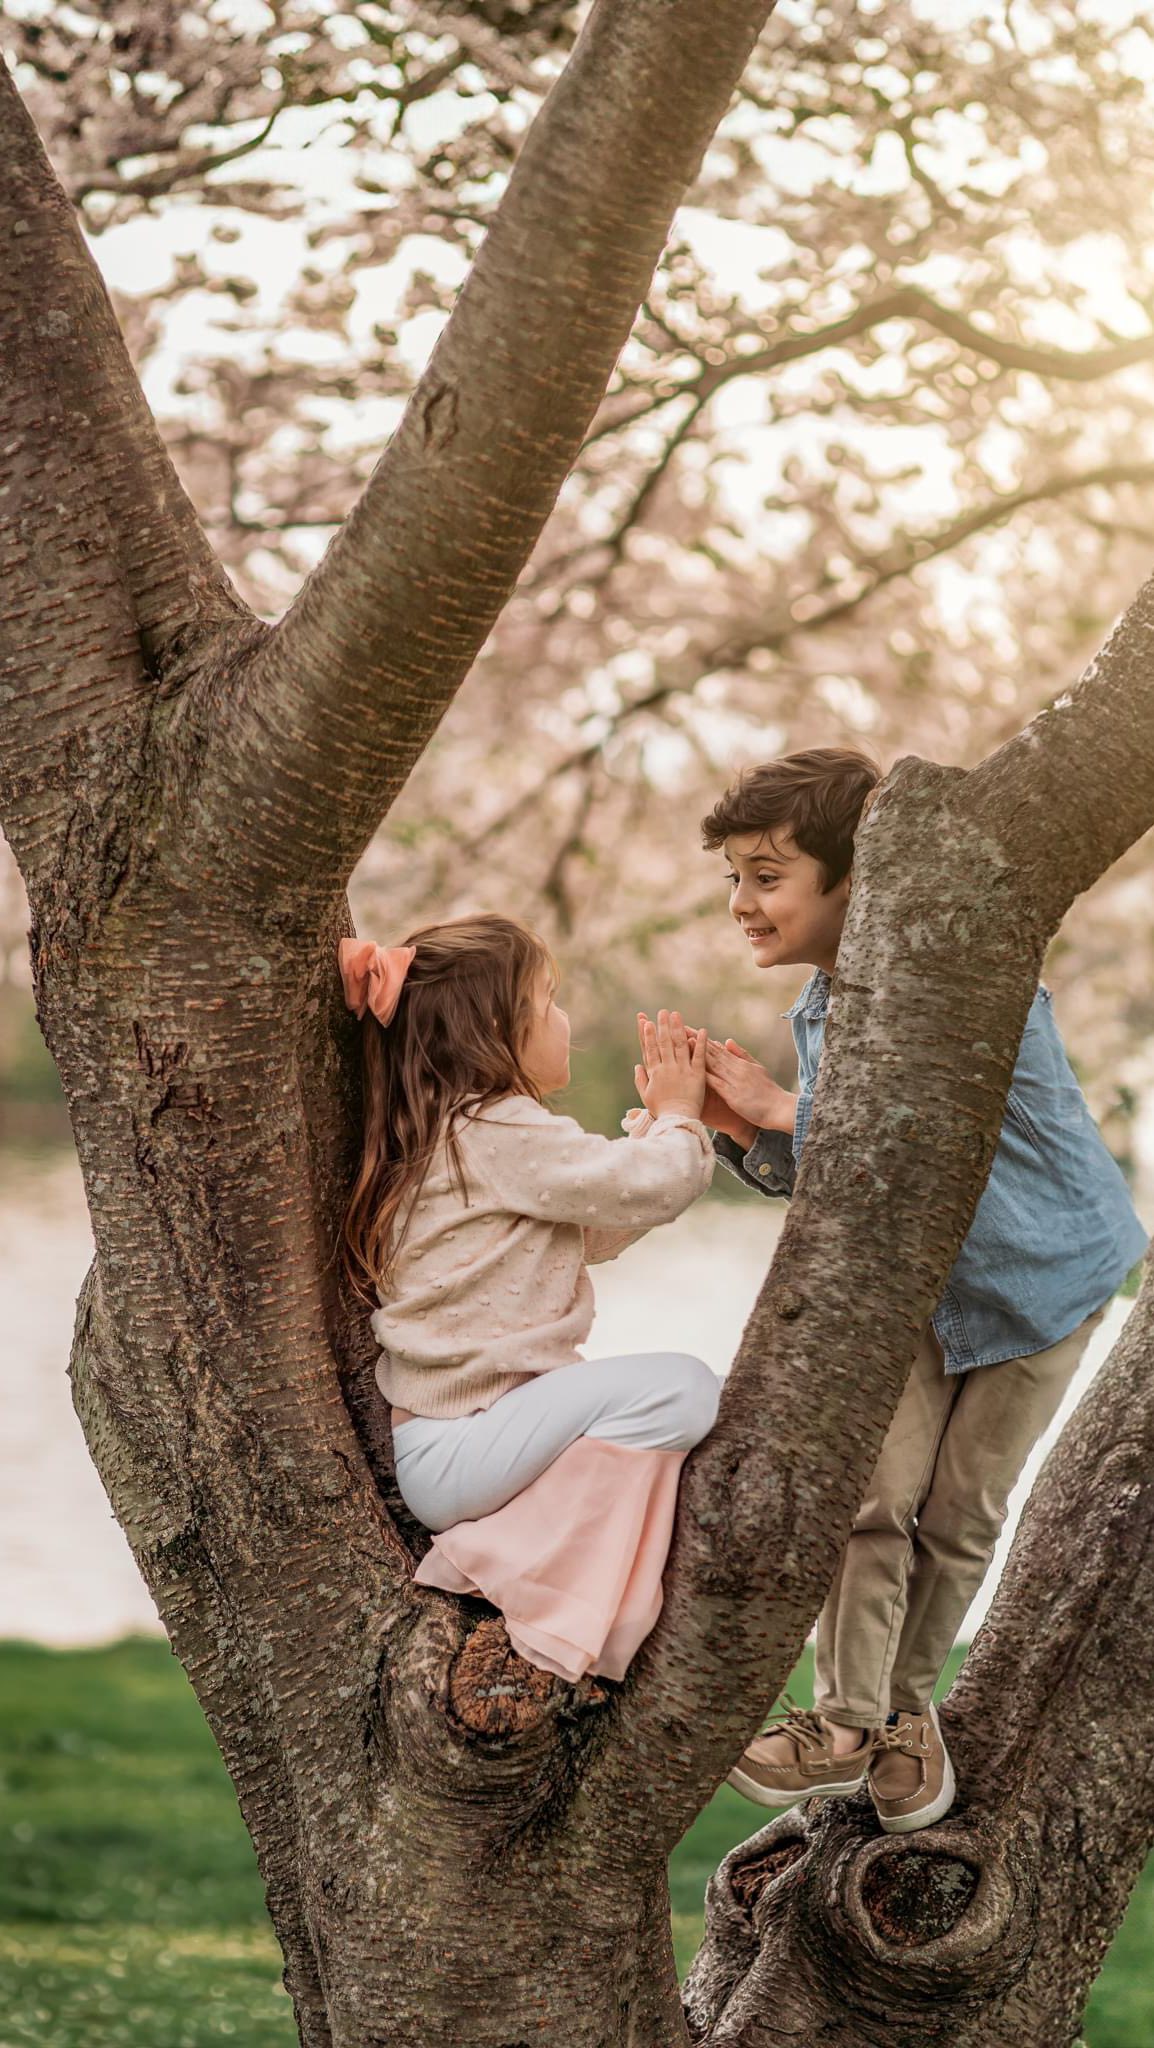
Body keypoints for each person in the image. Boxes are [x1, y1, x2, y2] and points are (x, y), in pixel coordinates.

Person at [661, 746, 1147, 1832]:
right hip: (927, 1283)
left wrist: (787, 1111)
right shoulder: (821, 1013)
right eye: (732, 876)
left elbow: (928, 1134)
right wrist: (746, 1125)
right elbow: (852, 1184)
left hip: (1040, 1275)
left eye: (765, 874)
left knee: (960, 1508)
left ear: (852, 876)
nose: (741, 902)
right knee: (873, 1499)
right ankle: (846, 1728)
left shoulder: (962, 974)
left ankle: (900, 1716)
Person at [338, 912, 720, 1685]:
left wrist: (652, 1129)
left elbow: (593, 1229)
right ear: (495, 1031)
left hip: (468, 1444)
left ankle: (542, 1561)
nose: (564, 1019)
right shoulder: (498, 1128)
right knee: (684, 1390)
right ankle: (510, 1559)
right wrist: (681, 1115)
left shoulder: (457, 1133)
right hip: (468, 1442)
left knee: (670, 1400)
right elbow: (655, 1186)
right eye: (547, 1003)